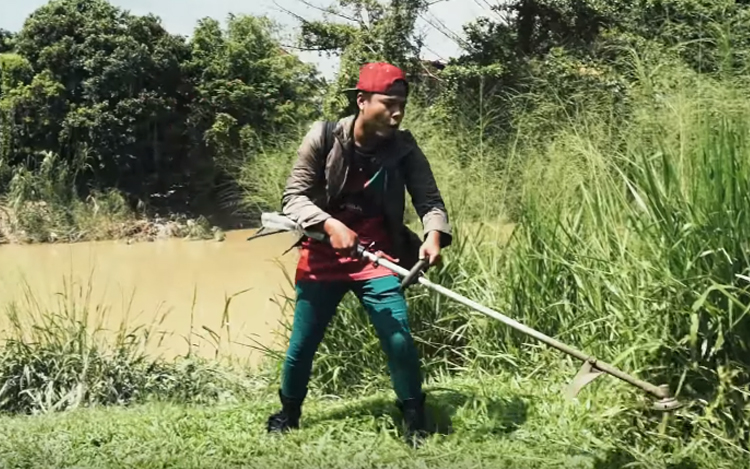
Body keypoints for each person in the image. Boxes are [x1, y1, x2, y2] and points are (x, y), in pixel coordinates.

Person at [265, 62, 452, 445]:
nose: (397, 112)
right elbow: (293, 199)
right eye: (388, 103)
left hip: (378, 256)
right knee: (303, 344)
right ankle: (289, 414)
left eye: (402, 103)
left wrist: (433, 235)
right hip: (322, 254)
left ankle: (415, 419)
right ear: (362, 100)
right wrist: (330, 225)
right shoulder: (322, 137)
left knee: (398, 338)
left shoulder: (404, 148)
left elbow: (429, 200)